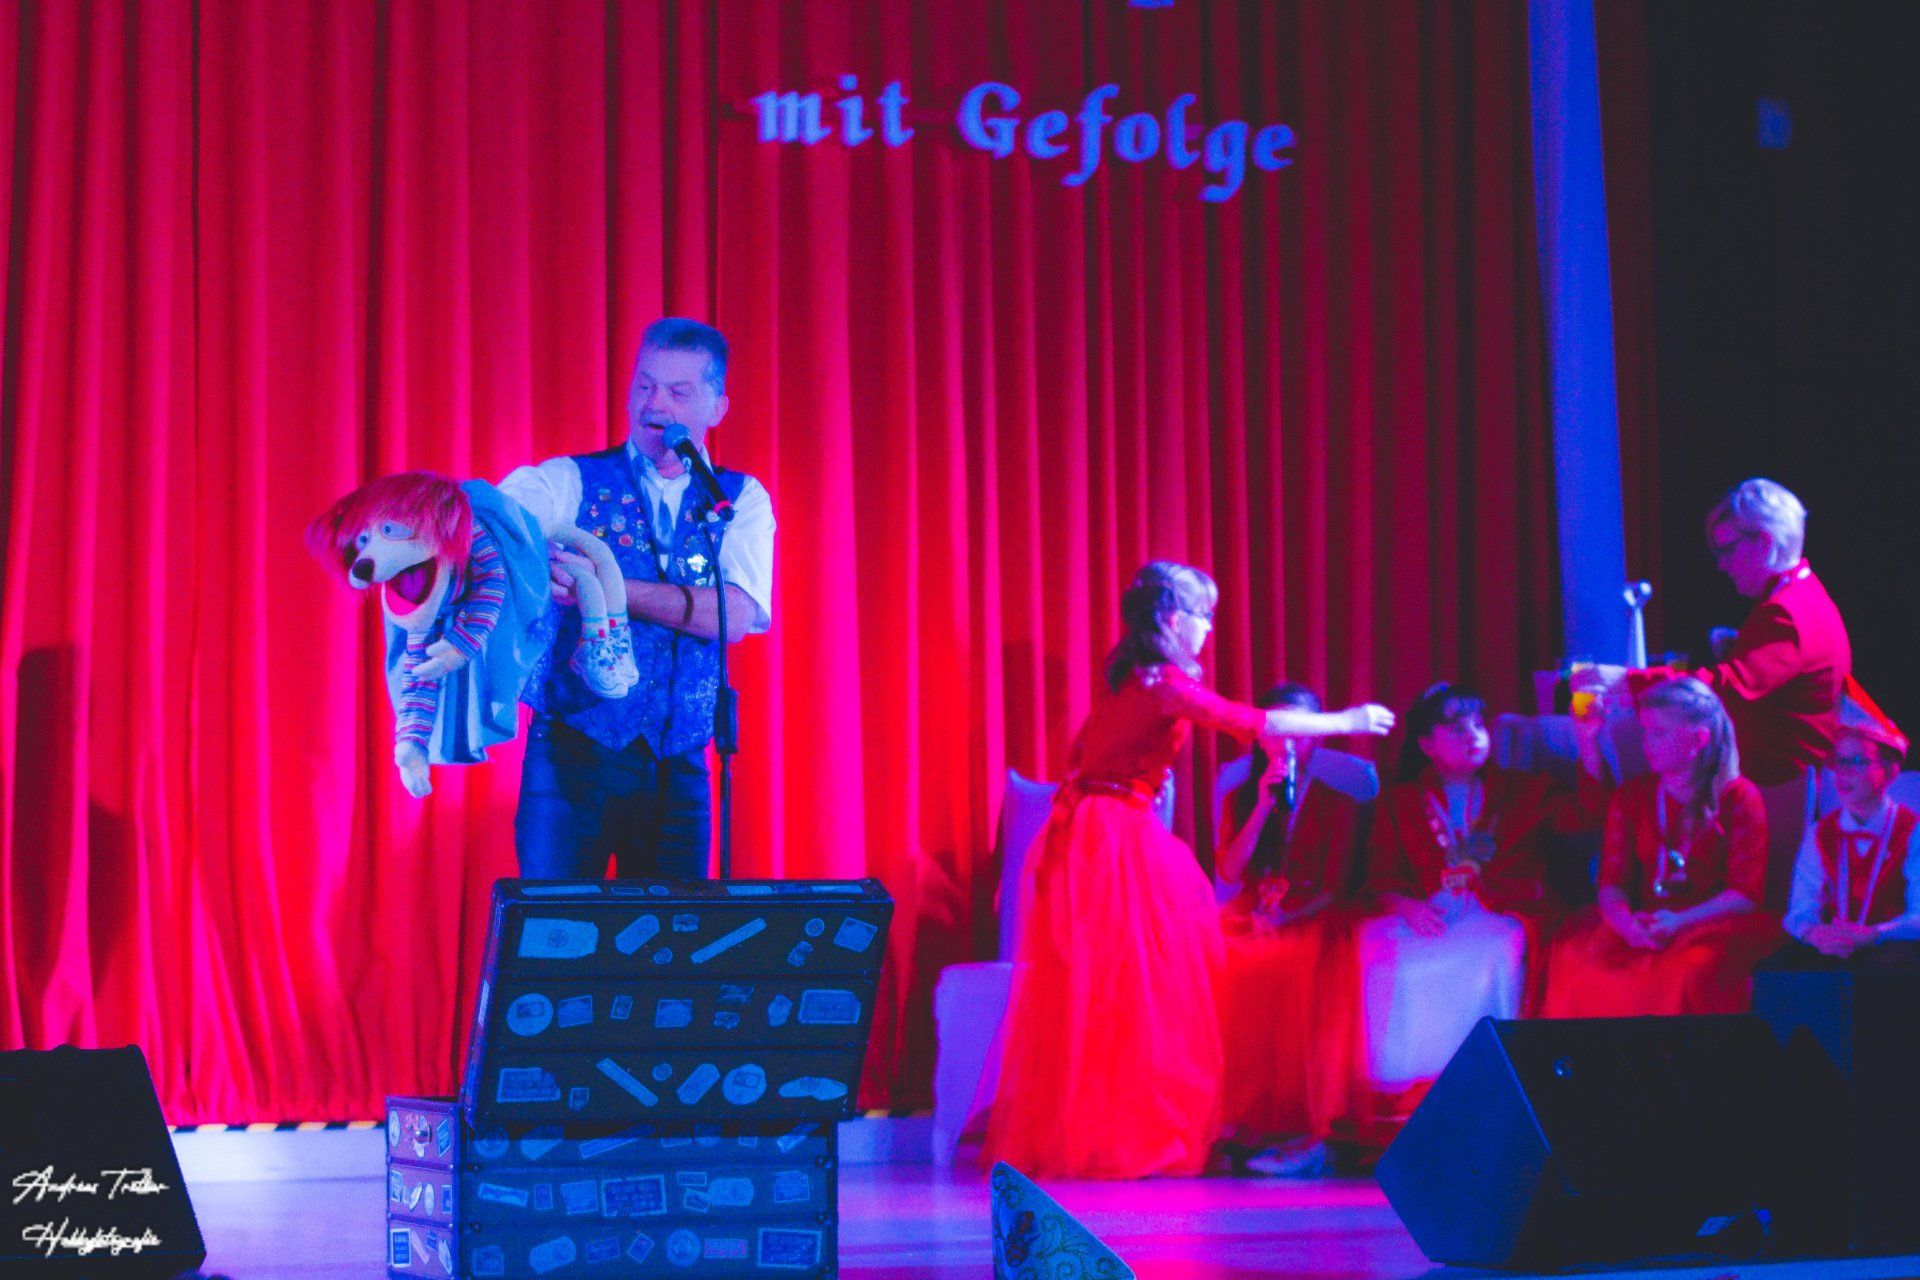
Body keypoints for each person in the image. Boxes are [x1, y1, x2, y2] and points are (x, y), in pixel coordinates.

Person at [981, 562, 1394, 1180]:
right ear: (1175, 620)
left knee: (1125, 988)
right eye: (1204, 616)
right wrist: (1346, 721)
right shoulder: (1164, 682)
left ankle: (1116, 1128)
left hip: (1104, 829)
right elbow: (1251, 720)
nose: (1209, 630)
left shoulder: (1136, 680)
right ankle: (1128, 1134)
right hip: (1112, 838)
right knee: (1138, 987)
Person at [500, 318, 776, 879]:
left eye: (678, 392)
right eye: (645, 385)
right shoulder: (567, 481)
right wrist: (528, 561)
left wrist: (606, 585)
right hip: (571, 757)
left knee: (673, 931)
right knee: (556, 925)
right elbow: (495, 527)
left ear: (717, 407)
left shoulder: (739, 500)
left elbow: (735, 616)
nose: (657, 404)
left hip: (679, 766)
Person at [1348, 683, 1554, 1138]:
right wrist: (1407, 906)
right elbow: (1381, 873)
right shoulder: (1401, 801)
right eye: (1457, 728)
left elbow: (1582, 819)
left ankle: (1488, 1089)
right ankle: (1404, 1098)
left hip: (1497, 906)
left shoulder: (1523, 790)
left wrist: (1593, 746)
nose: (1473, 736)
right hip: (1429, 907)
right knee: (1381, 948)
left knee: (1492, 949)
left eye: (1479, 725)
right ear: (1426, 744)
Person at [1542, 677, 1780, 1017]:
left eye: (1659, 733)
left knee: (1684, 973)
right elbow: (1611, 883)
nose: (1647, 744)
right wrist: (1626, 924)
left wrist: (1680, 920)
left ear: (1698, 740)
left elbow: (1744, 895)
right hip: (1644, 920)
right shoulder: (1632, 796)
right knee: (1573, 958)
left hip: (1709, 922)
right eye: (1645, 733)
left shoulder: (1739, 797)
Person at [1213, 683, 1367, 1176]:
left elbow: (1338, 885)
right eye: (1279, 730)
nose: (1289, 742)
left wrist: (1285, 918)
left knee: (1293, 963)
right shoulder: (1241, 793)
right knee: (1214, 955)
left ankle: (1298, 1124)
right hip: (1252, 908)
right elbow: (1230, 871)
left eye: (1301, 732)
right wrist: (1262, 805)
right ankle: (1231, 1117)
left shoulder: (1341, 803)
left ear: (1317, 737)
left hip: (1311, 915)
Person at [1778, 697, 1920, 968]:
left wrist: (1875, 934)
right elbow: (1800, 909)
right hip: (1833, 951)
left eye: (1858, 761)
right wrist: (1814, 933)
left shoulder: (1913, 831)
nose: (1844, 773)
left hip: (1893, 955)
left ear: (1890, 770)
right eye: (1840, 761)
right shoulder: (1820, 833)